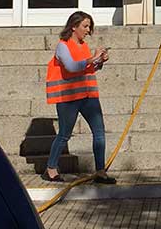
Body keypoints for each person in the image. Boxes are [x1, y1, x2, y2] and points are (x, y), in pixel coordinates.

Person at [43, 11, 116, 184]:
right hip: (69, 98)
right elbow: (72, 66)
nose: (88, 29)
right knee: (64, 135)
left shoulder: (83, 46)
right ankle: (51, 168)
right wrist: (93, 58)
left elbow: (88, 69)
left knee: (99, 133)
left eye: (89, 26)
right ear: (73, 26)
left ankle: (100, 171)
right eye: (85, 26)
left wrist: (100, 62)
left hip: (88, 95)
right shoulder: (63, 46)